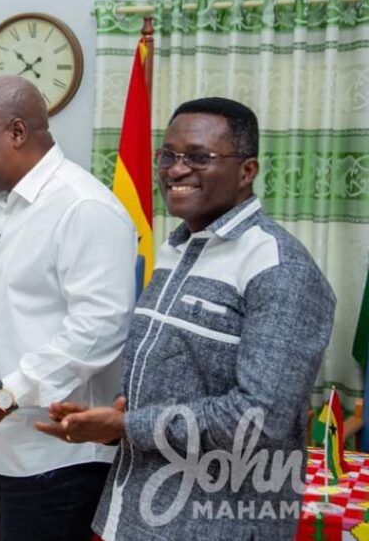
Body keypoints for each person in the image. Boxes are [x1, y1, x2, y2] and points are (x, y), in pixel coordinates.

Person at [35, 98, 336, 540]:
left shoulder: (278, 266)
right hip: (133, 514)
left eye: (198, 157)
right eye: (168, 155)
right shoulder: (177, 249)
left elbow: (260, 418)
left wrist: (128, 425)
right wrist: (112, 421)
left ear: (247, 171)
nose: (176, 170)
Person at [0, 76, 137, 541]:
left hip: (53, 456)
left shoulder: (83, 207)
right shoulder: (1, 200)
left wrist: (2, 396)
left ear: (17, 132)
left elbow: (98, 330)